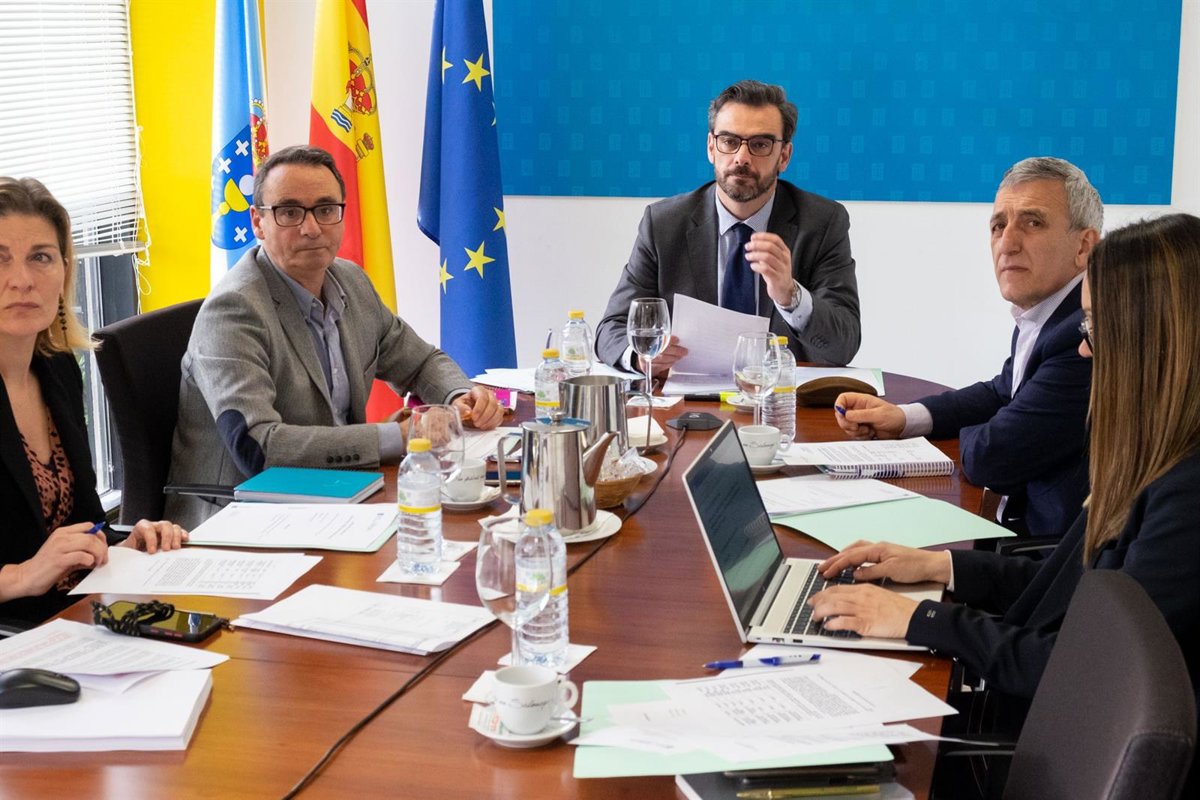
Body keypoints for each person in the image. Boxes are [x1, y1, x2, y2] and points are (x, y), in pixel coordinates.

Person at [810, 213, 1200, 795]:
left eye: (1095, 326)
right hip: (1036, 727)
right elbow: (1076, 585)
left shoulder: (1186, 498)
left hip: (1046, 757)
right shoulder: (1155, 457)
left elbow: (1088, 674)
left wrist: (922, 619)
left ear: (1153, 341)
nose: (1084, 348)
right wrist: (940, 567)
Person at [167, 146, 503, 528]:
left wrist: (459, 396)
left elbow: (420, 361)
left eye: (326, 209)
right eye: (289, 212)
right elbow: (259, 446)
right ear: (258, 223)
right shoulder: (233, 311)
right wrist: (398, 436)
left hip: (338, 495)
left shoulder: (350, 281)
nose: (312, 228)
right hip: (241, 517)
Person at [835, 157, 1100, 537]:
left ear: (1084, 246)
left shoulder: (1084, 334)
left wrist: (989, 432)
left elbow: (993, 457)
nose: (1007, 243)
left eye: (1033, 223)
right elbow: (1002, 392)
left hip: (1045, 553)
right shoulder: (1047, 312)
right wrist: (905, 418)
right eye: (998, 226)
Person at [0, 177, 187, 625]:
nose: (22, 281)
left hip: (81, 615)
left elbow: (79, 522)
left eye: (40, 257)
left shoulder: (58, 370)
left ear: (64, 271)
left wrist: (124, 544)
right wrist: (21, 576)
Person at [594, 79, 861, 374]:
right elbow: (611, 329)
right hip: (688, 398)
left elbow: (843, 346)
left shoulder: (822, 222)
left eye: (760, 145)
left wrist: (790, 295)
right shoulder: (664, 223)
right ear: (711, 147)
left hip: (780, 396)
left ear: (784, 156)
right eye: (729, 141)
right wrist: (639, 357)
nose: (741, 158)